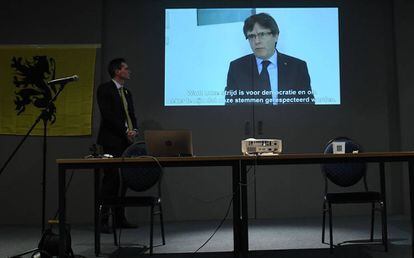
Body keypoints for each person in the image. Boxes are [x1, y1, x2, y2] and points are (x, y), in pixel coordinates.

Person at [225, 13, 315, 105]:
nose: (257, 41)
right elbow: (231, 109)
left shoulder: (298, 67)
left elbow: (308, 108)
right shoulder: (236, 68)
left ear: (275, 36)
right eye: (251, 36)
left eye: (262, 34)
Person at [97, 58, 138, 232]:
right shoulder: (105, 89)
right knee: (111, 180)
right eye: (126, 68)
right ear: (117, 71)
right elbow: (108, 116)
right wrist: (124, 131)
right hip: (112, 141)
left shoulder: (127, 92)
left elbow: (131, 114)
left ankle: (120, 218)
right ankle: (104, 220)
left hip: (126, 142)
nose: (129, 71)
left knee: (124, 181)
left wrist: (134, 129)